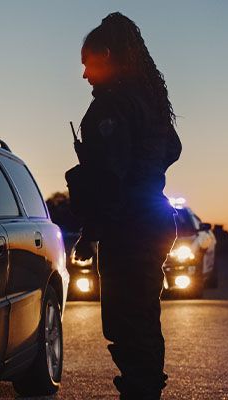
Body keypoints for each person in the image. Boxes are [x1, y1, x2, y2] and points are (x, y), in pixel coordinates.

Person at [66, 12, 182, 400]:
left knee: (126, 325)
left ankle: (140, 392)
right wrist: (147, 171)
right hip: (154, 221)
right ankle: (145, 390)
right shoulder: (150, 100)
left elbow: (108, 178)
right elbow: (173, 148)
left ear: (107, 56)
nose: (85, 74)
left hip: (129, 228)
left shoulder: (111, 105)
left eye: (89, 63)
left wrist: (90, 233)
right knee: (144, 319)